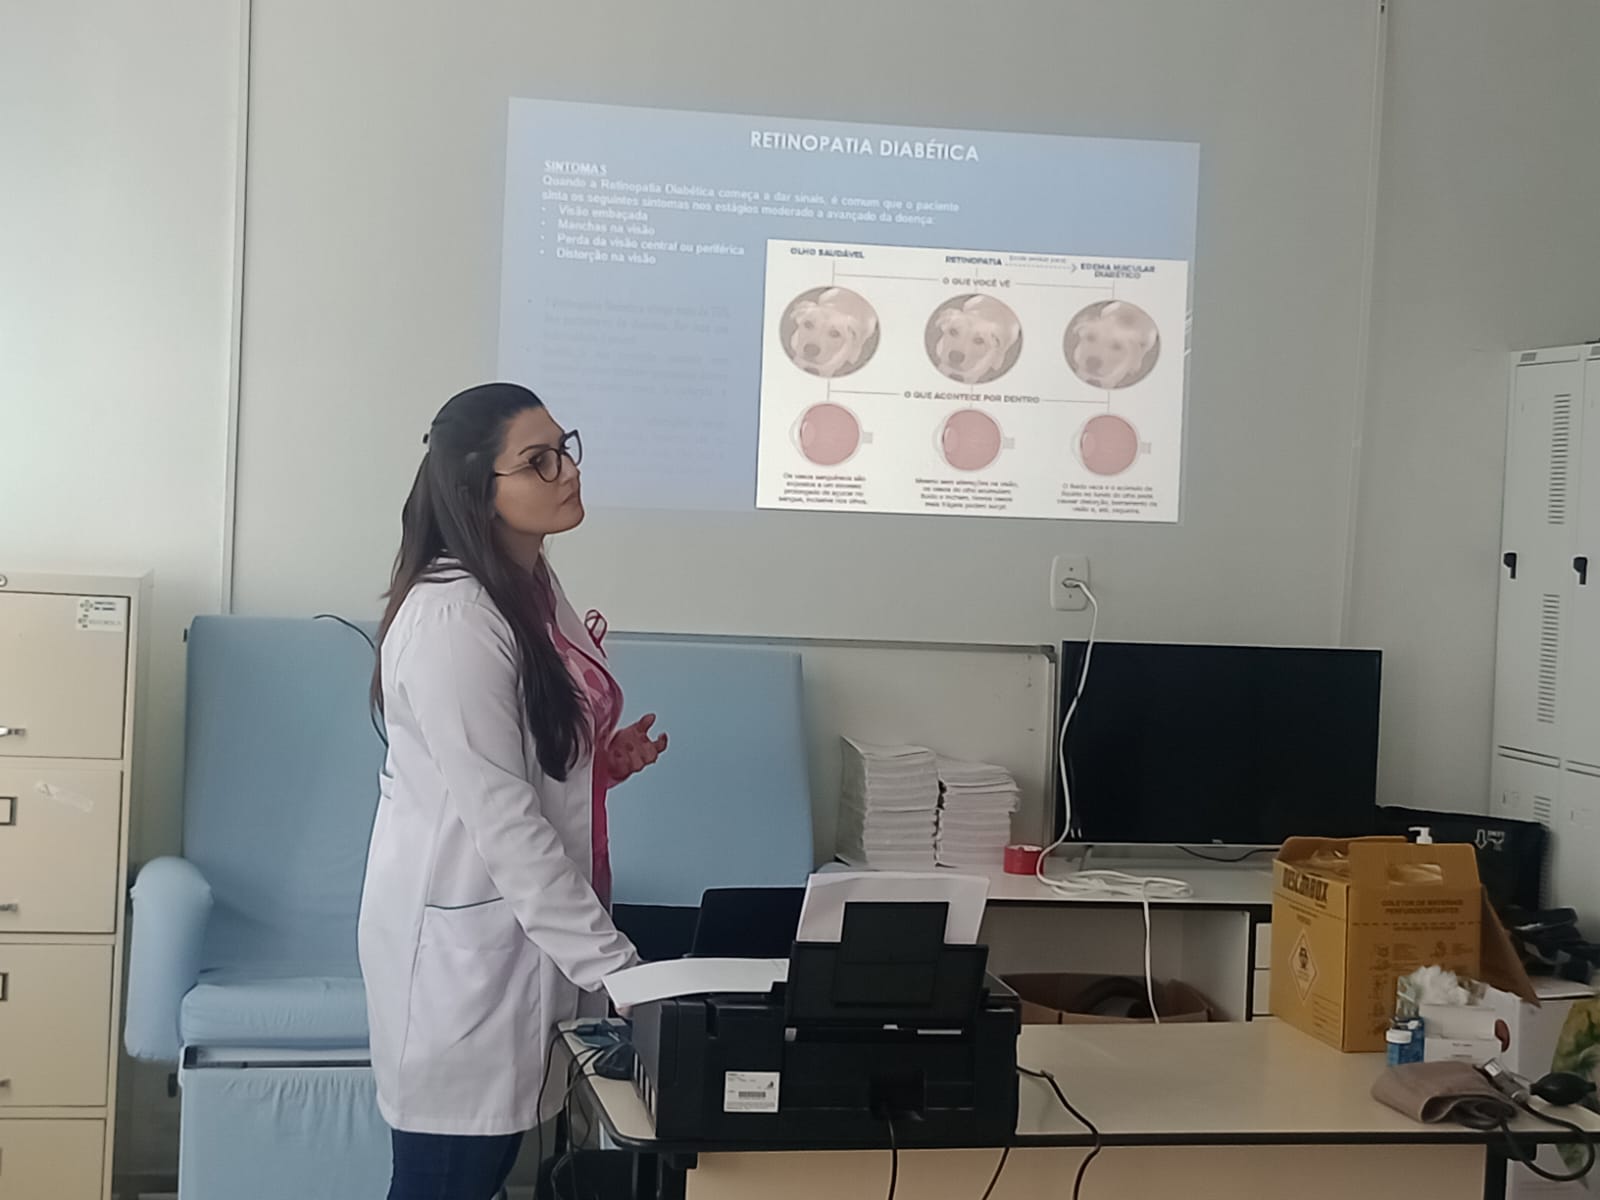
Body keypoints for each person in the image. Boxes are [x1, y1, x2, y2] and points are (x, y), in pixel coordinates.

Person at [358, 382, 668, 1200]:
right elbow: (506, 827)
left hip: (517, 946)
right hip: (463, 962)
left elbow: (519, 762)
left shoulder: (527, 586)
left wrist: (600, 763)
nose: (568, 471)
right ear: (476, 490)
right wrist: (622, 973)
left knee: (485, 1174)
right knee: (445, 1181)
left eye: (565, 449)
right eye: (538, 461)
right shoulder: (454, 621)